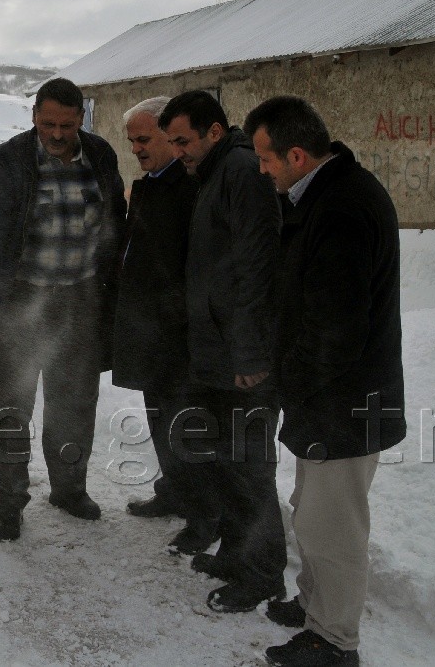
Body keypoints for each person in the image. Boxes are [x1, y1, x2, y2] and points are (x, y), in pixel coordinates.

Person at [245, 96, 406, 667]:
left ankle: (335, 642)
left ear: (294, 154)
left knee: (334, 526)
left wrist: (286, 382)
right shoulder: (318, 196)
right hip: (326, 397)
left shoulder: (341, 208)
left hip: (345, 399)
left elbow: (337, 327)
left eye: (265, 160)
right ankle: (314, 606)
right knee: (310, 509)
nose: (261, 171)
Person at [0, 77, 126, 541]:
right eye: (47, 123)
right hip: (23, 302)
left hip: (80, 302)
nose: (56, 134)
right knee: (12, 407)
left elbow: (114, 222)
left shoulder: (99, 156)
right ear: (34, 115)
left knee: (74, 404)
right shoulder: (12, 159)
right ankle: (9, 501)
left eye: (66, 124)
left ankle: (69, 488)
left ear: (81, 118)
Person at [157, 90, 287, 613]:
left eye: (183, 140)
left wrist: (251, 355)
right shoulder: (214, 173)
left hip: (244, 361)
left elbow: (258, 264)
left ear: (215, 131)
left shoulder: (238, 170)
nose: (178, 151)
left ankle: (262, 575)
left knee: (251, 469)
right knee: (229, 464)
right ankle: (236, 554)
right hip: (218, 354)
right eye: (173, 142)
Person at [111, 96, 206, 535]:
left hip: (176, 333)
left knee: (185, 425)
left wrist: (173, 316)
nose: (137, 148)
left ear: (170, 136)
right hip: (148, 329)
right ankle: (174, 492)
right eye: (132, 141)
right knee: (160, 419)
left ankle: (199, 509)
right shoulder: (149, 185)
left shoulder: (190, 190)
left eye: (145, 139)